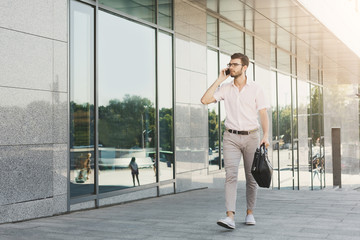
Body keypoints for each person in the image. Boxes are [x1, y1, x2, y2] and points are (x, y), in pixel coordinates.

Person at [201, 53, 269, 229]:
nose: (231, 67)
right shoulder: (225, 88)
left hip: (252, 136)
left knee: (250, 177)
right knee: (230, 176)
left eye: (235, 64)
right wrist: (218, 80)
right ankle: (229, 216)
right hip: (230, 136)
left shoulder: (256, 88)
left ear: (244, 67)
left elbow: (263, 113)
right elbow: (205, 100)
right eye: (230, 64)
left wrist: (266, 135)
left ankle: (250, 213)